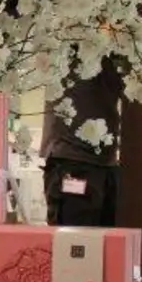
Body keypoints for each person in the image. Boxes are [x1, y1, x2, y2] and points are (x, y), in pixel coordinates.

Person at [42, 56, 124, 227]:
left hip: (103, 164)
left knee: (108, 244)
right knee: (75, 242)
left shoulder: (112, 52)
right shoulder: (71, 47)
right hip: (72, 162)